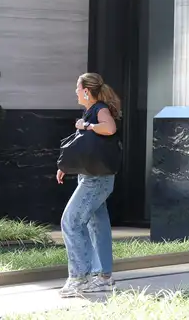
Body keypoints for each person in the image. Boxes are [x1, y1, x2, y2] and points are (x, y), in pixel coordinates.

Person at [56, 73, 121, 298]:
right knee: (97, 226)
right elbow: (85, 148)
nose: (75, 92)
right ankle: (103, 277)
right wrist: (66, 166)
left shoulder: (99, 110)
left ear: (86, 91)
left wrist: (87, 125)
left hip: (96, 180)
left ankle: (79, 278)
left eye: (77, 88)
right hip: (94, 177)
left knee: (71, 221)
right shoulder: (91, 111)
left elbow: (110, 128)